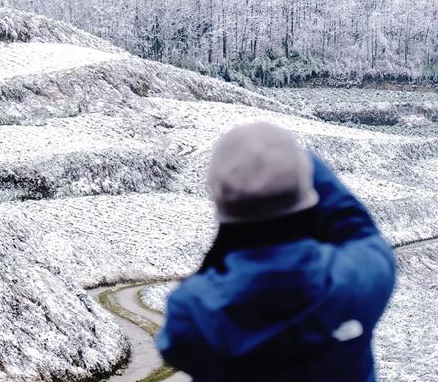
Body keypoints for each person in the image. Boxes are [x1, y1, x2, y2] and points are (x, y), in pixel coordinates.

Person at [156, 122, 396, 382]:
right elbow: (357, 227)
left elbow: (173, 345)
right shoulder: (355, 284)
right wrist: (299, 163)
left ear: (221, 201)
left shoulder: (192, 310)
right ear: (304, 193)